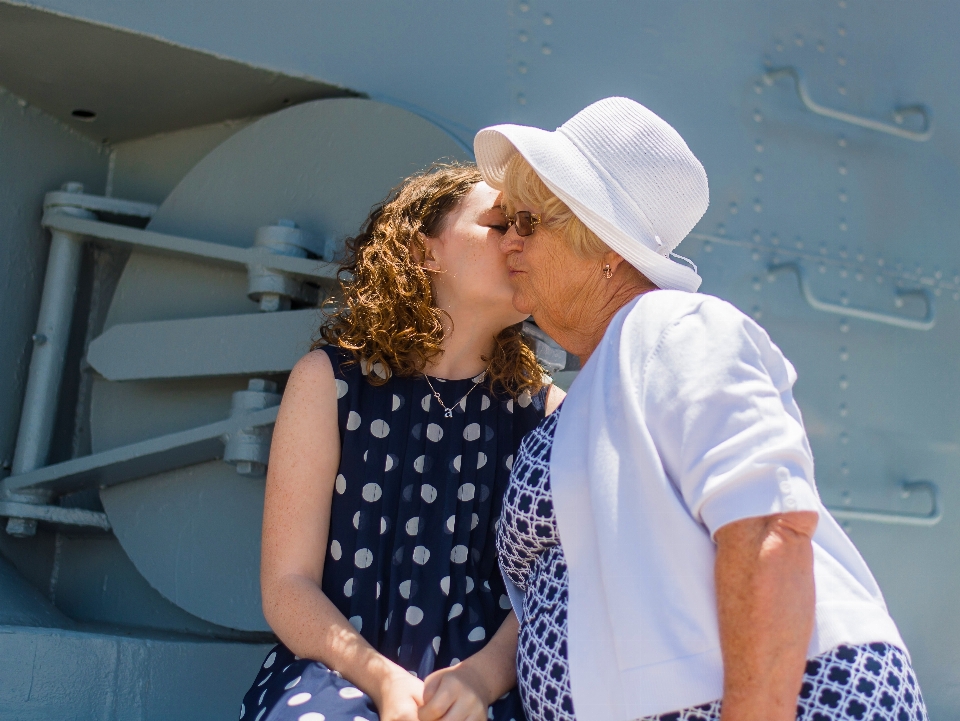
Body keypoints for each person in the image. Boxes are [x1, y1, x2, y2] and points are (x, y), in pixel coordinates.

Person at [474, 98, 927, 721]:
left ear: (601, 244)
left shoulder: (672, 326)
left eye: (528, 221)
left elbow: (767, 526)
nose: (509, 241)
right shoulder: (608, 375)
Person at [240, 163, 563, 721]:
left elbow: (545, 587)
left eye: (527, 228)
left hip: (486, 685)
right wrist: (383, 680)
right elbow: (288, 586)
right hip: (337, 671)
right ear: (425, 252)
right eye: (498, 224)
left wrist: (479, 683)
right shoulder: (329, 383)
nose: (519, 241)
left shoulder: (547, 412)